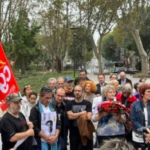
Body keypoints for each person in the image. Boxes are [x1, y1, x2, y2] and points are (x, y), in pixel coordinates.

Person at [66, 85, 93, 150]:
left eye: (79, 91)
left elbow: (89, 117)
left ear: (83, 92)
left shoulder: (88, 103)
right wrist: (82, 113)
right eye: (75, 91)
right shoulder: (69, 104)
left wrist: (74, 115)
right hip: (74, 132)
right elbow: (69, 117)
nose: (77, 92)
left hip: (86, 131)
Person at [131, 84, 150, 150]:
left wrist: (149, 131)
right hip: (138, 134)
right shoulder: (135, 104)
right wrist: (143, 129)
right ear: (142, 94)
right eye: (148, 92)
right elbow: (133, 120)